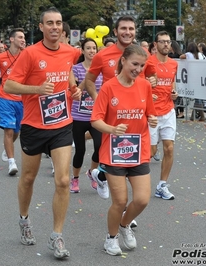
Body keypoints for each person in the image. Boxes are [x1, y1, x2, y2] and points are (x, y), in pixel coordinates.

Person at [4, 7, 81, 259]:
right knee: (28, 178)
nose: (55, 27)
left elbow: (67, 71)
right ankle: (24, 219)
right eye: (50, 23)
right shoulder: (30, 53)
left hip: (61, 123)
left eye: (58, 23)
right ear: (41, 27)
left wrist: (74, 89)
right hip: (34, 125)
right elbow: (10, 84)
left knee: (62, 180)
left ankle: (56, 236)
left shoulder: (70, 51)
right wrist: (37, 89)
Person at [90, 44, 157, 256]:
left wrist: (152, 119)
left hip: (139, 149)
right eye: (134, 64)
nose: (138, 69)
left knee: (142, 199)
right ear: (123, 61)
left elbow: (149, 113)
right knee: (119, 201)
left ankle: (124, 224)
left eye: (142, 65)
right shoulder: (109, 87)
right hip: (114, 151)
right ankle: (111, 239)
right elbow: (95, 120)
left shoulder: (145, 86)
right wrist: (112, 129)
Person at [85, 15, 156, 200]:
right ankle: (117, 198)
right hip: (111, 115)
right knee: (106, 151)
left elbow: (150, 77)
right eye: (123, 28)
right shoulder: (102, 55)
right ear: (115, 32)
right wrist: (99, 100)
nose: (127, 32)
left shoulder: (143, 55)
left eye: (131, 29)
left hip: (134, 115)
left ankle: (102, 176)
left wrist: (153, 82)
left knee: (130, 160)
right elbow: (89, 81)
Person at [145, 31, 178, 200]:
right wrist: (148, 92)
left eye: (168, 41)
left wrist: (174, 92)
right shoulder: (148, 62)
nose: (166, 44)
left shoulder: (173, 64)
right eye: (162, 42)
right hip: (151, 113)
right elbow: (136, 82)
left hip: (168, 110)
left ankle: (162, 185)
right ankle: (121, 172)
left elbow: (172, 81)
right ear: (155, 44)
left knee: (169, 148)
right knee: (150, 152)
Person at [0, 28, 25, 176]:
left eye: (24, 38)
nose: (23, 40)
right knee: (9, 130)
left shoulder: (27, 56)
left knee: (17, 130)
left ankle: (7, 147)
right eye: (20, 37)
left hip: (23, 99)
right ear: (11, 39)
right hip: (5, 97)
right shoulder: (0, 57)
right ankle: (12, 162)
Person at [69, 38, 102, 193]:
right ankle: (75, 179)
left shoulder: (101, 69)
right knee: (80, 151)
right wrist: (88, 77)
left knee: (100, 147)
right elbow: (75, 92)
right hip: (78, 116)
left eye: (94, 48)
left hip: (96, 116)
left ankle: (92, 173)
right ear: (82, 51)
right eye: (88, 48)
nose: (91, 51)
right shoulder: (75, 69)